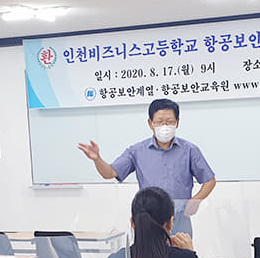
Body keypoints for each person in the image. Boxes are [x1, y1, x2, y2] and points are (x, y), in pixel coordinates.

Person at [78, 98, 216, 236]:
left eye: (169, 122)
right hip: (148, 218)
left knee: (182, 250)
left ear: (177, 123)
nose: (165, 126)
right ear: (150, 123)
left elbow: (210, 180)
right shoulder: (137, 151)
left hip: (179, 217)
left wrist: (196, 201)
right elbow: (110, 173)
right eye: (159, 122)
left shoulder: (190, 150)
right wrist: (97, 159)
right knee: (148, 250)